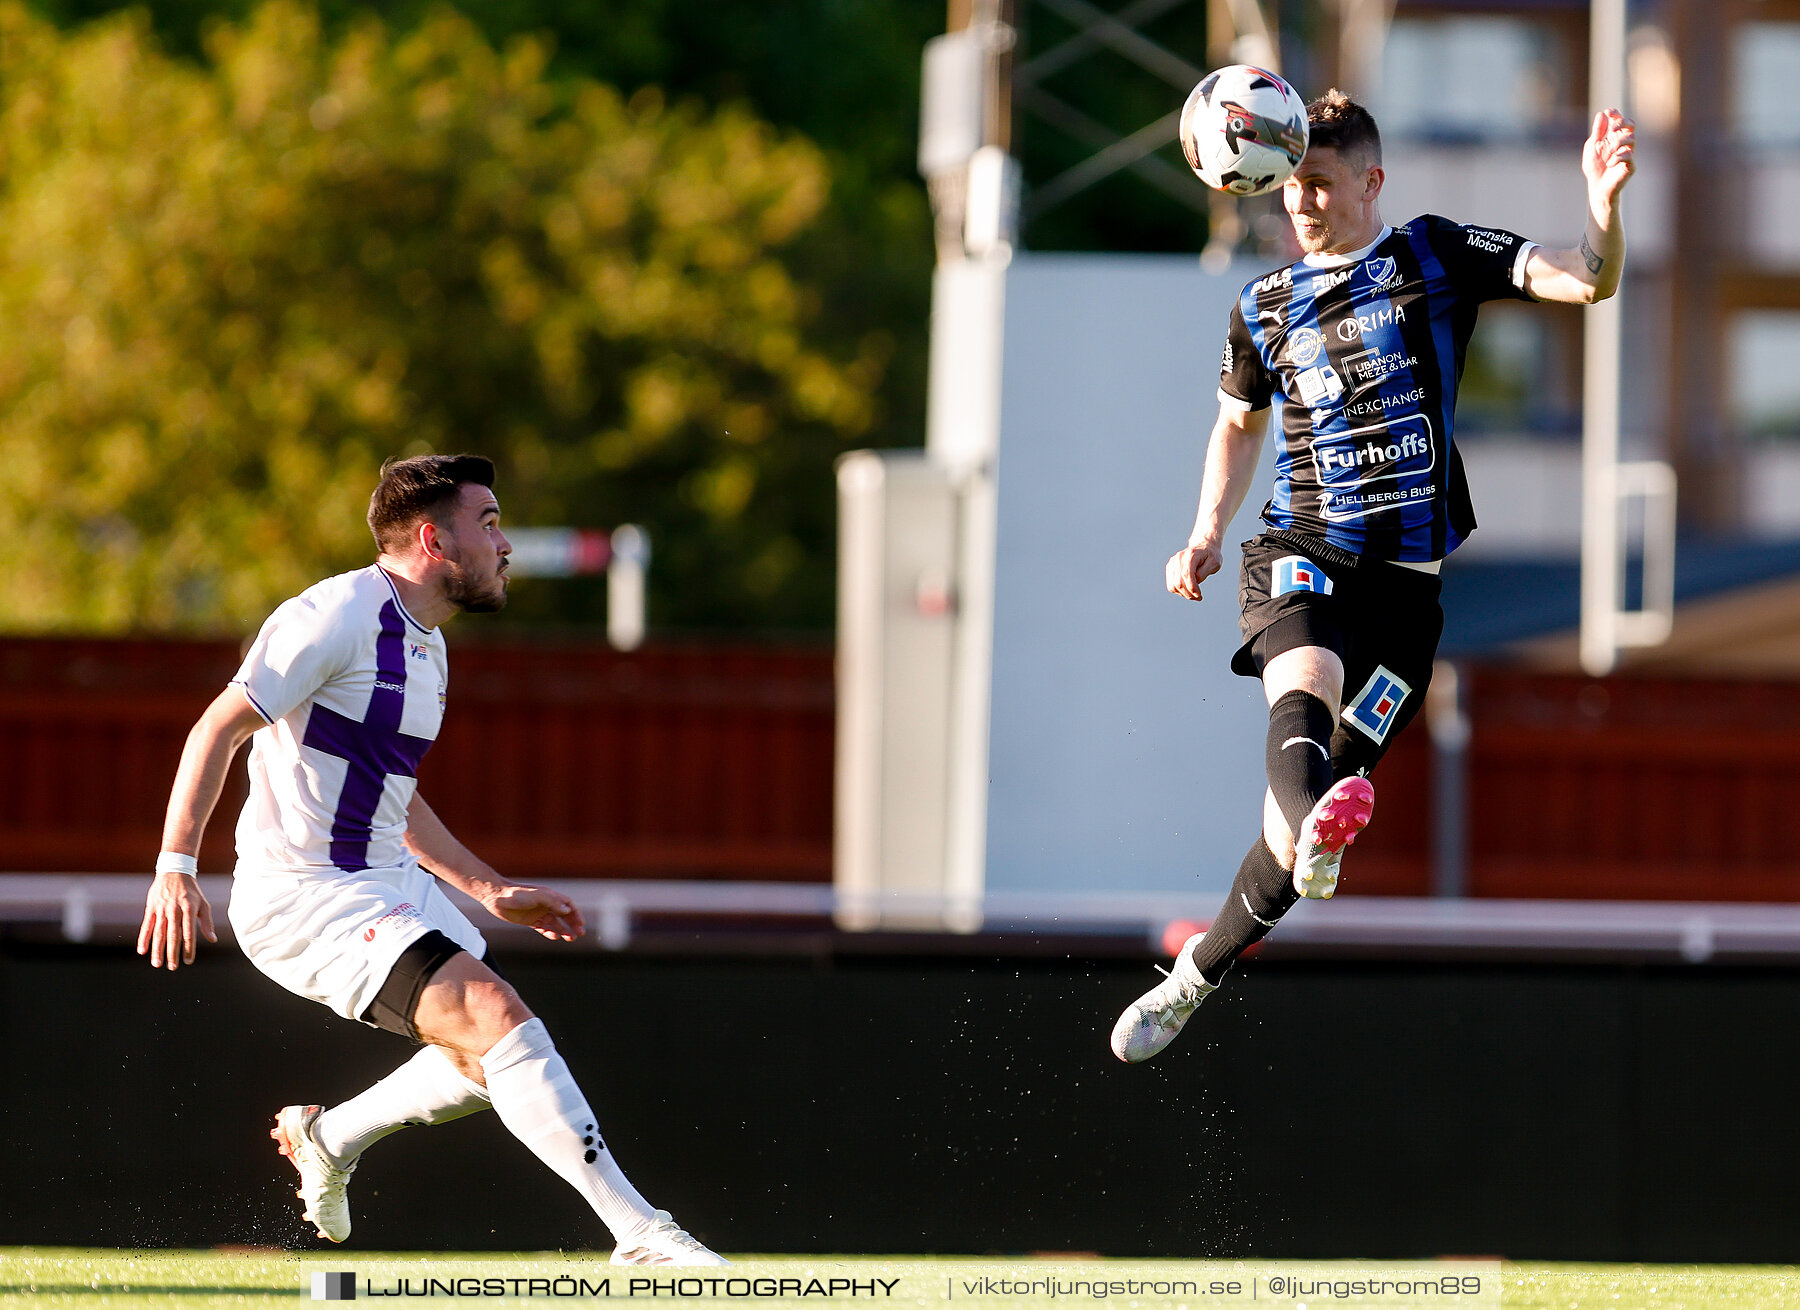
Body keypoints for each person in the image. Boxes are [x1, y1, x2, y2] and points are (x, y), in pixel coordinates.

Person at [1111, 91, 1637, 1062]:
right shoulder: (1263, 304)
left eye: (1318, 184)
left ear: (1370, 182)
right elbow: (1237, 424)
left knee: (1284, 840)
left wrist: (1601, 207)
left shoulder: (1434, 254)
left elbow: (1586, 279)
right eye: (1289, 187)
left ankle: (1193, 977)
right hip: (1302, 544)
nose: (1301, 205)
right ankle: (1320, 827)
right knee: (1303, 688)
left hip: (1406, 595)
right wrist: (1203, 531)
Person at [137, 454, 726, 1264]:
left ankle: (330, 1136)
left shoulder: (430, 648)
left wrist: (488, 888)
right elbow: (217, 728)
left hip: (385, 880)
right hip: (304, 894)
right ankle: (641, 1232)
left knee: (486, 1062)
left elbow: (395, 795)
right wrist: (176, 864)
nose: (506, 544)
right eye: (489, 524)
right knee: (498, 1019)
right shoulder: (334, 613)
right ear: (432, 539)